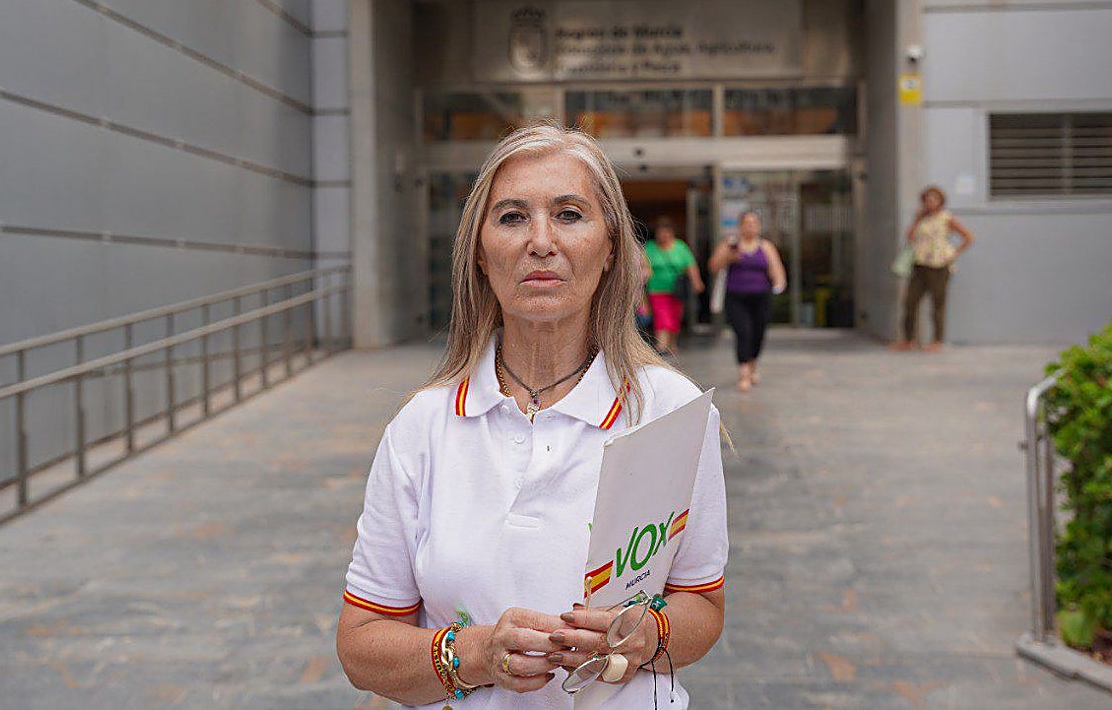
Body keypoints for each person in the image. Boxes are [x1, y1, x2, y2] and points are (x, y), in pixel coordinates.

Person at [336, 123, 729, 710]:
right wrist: (475, 654)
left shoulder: (670, 413)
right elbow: (361, 643)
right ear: (480, 251)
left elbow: (701, 603)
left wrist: (648, 634)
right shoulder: (421, 428)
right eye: (512, 216)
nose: (540, 241)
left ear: (611, 249)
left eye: (569, 214)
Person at [708, 209, 787, 392]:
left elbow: (776, 269)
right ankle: (744, 373)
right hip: (736, 297)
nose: (750, 227)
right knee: (743, 332)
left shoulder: (765, 246)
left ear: (758, 227)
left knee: (757, 333)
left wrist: (779, 283)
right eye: (747, 223)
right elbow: (713, 266)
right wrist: (729, 256)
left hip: (761, 297)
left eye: (754, 223)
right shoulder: (730, 244)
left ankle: (752, 364)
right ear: (740, 226)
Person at [892, 185, 974, 352]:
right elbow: (909, 237)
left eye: (934, 199)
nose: (930, 202)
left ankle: (937, 340)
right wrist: (917, 219)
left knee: (938, 303)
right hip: (920, 264)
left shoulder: (946, 218)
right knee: (910, 302)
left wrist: (952, 253)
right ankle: (908, 340)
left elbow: (968, 237)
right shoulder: (921, 218)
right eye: (927, 199)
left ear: (940, 201)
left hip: (939, 265)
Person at [643, 217, 705, 355]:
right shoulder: (650, 247)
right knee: (662, 316)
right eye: (660, 233)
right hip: (657, 289)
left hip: (677, 290)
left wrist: (696, 281)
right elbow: (643, 265)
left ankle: (671, 343)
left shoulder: (680, 247)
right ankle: (661, 345)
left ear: (672, 233)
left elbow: (690, 265)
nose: (663, 236)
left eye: (666, 233)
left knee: (675, 317)